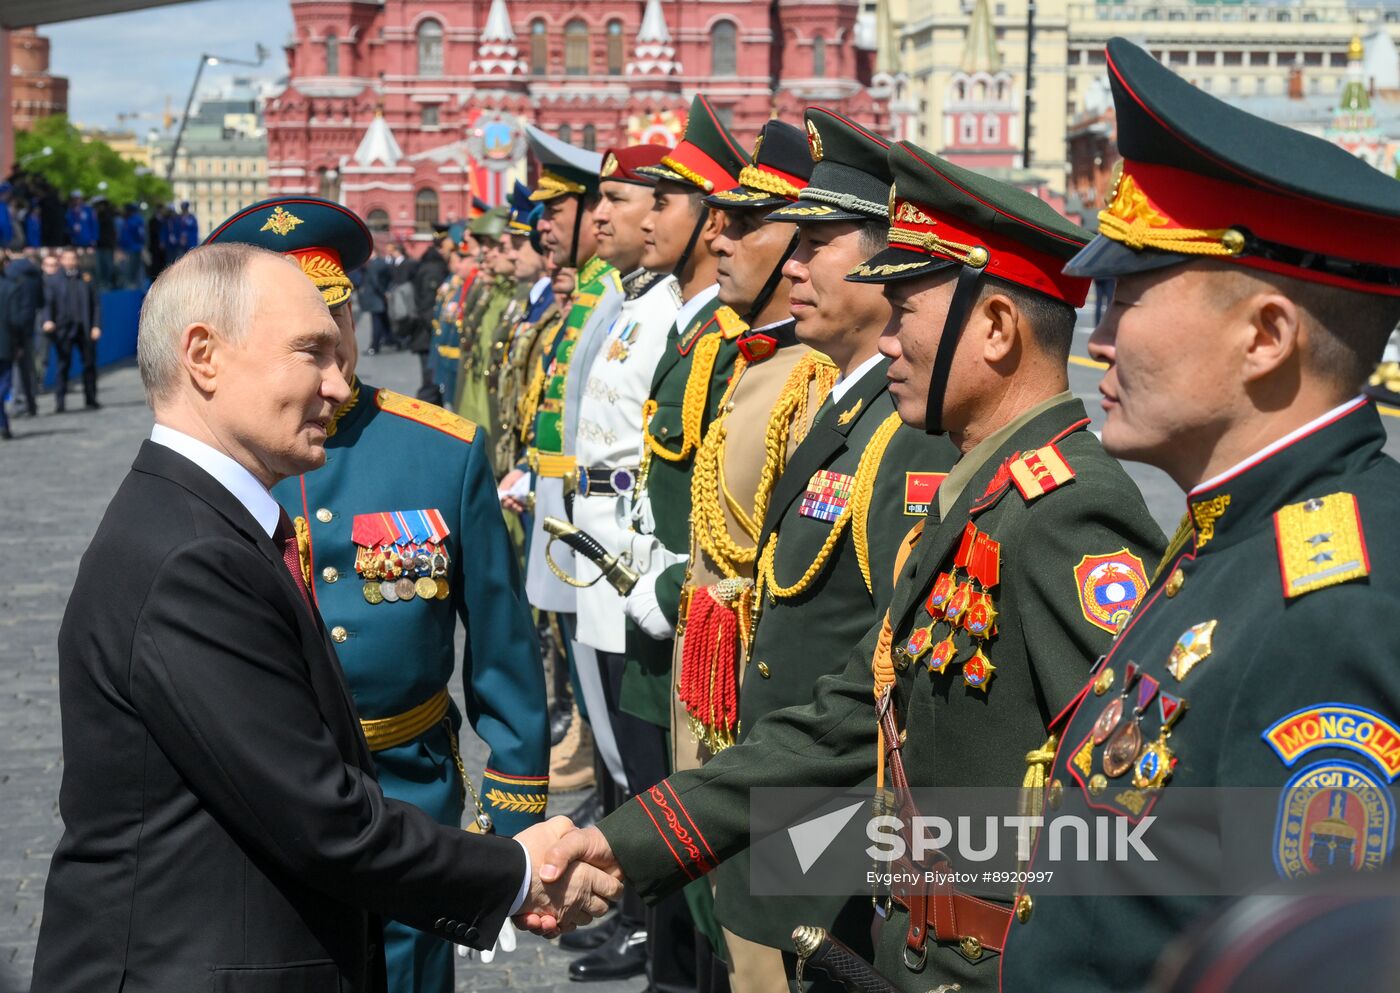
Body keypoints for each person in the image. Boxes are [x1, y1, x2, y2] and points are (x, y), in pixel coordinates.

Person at [538, 138, 1168, 992]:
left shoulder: (1064, 510)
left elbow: (1127, 823)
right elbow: (854, 708)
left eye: (907, 307)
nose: (891, 335)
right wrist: (631, 839)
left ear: (995, 328)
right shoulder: (982, 493)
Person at [29, 242, 620, 993]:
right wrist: (516, 870)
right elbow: (319, 816)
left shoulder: (196, 520)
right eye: (312, 353)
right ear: (203, 356)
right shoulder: (193, 558)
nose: (341, 384)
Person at [993, 37, 1400, 992]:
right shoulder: (1234, 529)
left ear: (1265, 336)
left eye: (1126, 295)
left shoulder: (1328, 609)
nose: (1096, 337)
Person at [204, 196, 553, 993]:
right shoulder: (228, 454)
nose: (326, 347)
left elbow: (501, 639)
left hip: (408, 789)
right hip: (261, 797)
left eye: (335, 318)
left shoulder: (438, 450)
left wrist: (515, 804)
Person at [699, 107, 961, 987]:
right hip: (788, 797)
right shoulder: (845, 400)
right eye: (795, 241)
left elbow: (889, 670)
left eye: (820, 242)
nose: (794, 265)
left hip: (837, 821)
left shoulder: (906, 429)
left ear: (890, 259)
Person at [560, 141, 678, 982]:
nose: (598, 215)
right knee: (615, 745)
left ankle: (651, 919)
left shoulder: (668, 307)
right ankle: (635, 910)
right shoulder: (630, 300)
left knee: (644, 753)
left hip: (630, 546)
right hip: (596, 537)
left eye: (616, 199)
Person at [40, 247, 101, 412]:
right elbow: (48, 304)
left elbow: (95, 304)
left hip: (84, 328)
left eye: (72, 258)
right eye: (66, 258)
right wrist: (48, 320)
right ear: (62, 260)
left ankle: (91, 398)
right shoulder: (53, 280)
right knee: (63, 365)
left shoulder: (86, 278)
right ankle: (60, 402)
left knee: (89, 364)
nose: (69, 262)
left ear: (77, 260)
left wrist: (96, 325)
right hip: (64, 329)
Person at [411, 233, 451, 398]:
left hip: (428, 336)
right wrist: (441, 333)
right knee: (431, 385)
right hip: (428, 337)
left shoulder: (432, 264)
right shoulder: (434, 269)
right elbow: (427, 308)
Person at [4, 248, 42, 418]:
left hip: (9, 327)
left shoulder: (7, 274)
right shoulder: (35, 271)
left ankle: (19, 403)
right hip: (29, 325)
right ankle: (31, 402)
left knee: (12, 369)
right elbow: (41, 301)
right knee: (27, 366)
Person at [360, 241, 392, 354]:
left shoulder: (373, 264)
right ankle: (391, 340)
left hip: (375, 298)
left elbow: (375, 281)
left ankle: (374, 347)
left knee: (376, 323)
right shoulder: (381, 262)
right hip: (379, 298)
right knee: (383, 321)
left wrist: (383, 293)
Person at [118, 202, 146, 289]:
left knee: (134, 267)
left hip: (134, 247)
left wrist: (140, 244)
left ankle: (136, 284)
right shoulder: (128, 219)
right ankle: (132, 283)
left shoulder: (136, 220)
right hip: (128, 248)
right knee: (129, 267)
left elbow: (140, 234)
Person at [93, 197, 117, 289]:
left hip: (106, 245)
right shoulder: (101, 216)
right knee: (103, 265)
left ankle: (108, 282)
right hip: (102, 245)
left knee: (106, 265)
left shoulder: (106, 216)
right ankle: (106, 282)